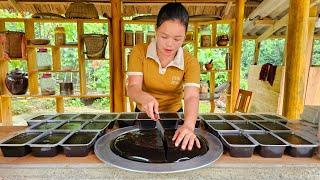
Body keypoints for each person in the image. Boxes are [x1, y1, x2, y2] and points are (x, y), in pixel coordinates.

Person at [127, 3, 200, 151]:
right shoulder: (139, 51)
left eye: (177, 39)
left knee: (174, 151)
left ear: (185, 36)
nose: (169, 44)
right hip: (143, 113)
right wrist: (144, 97)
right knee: (144, 150)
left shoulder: (190, 61)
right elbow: (133, 88)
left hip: (174, 115)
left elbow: (191, 96)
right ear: (156, 30)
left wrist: (188, 125)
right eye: (164, 36)